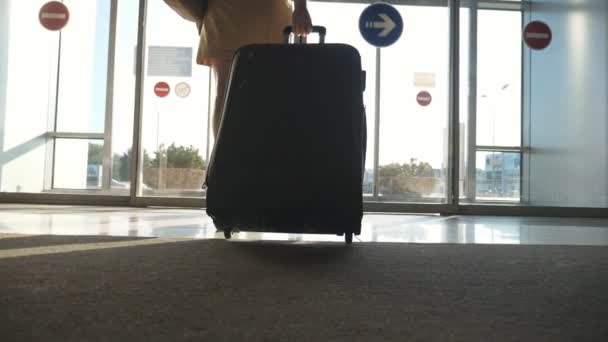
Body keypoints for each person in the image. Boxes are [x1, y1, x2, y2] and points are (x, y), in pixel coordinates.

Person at [196, 0, 313, 139]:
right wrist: (300, 8)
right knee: (267, 97)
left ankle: (225, 155)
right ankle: (244, 154)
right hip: (262, 18)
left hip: (226, 16)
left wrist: (301, 8)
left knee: (226, 96)